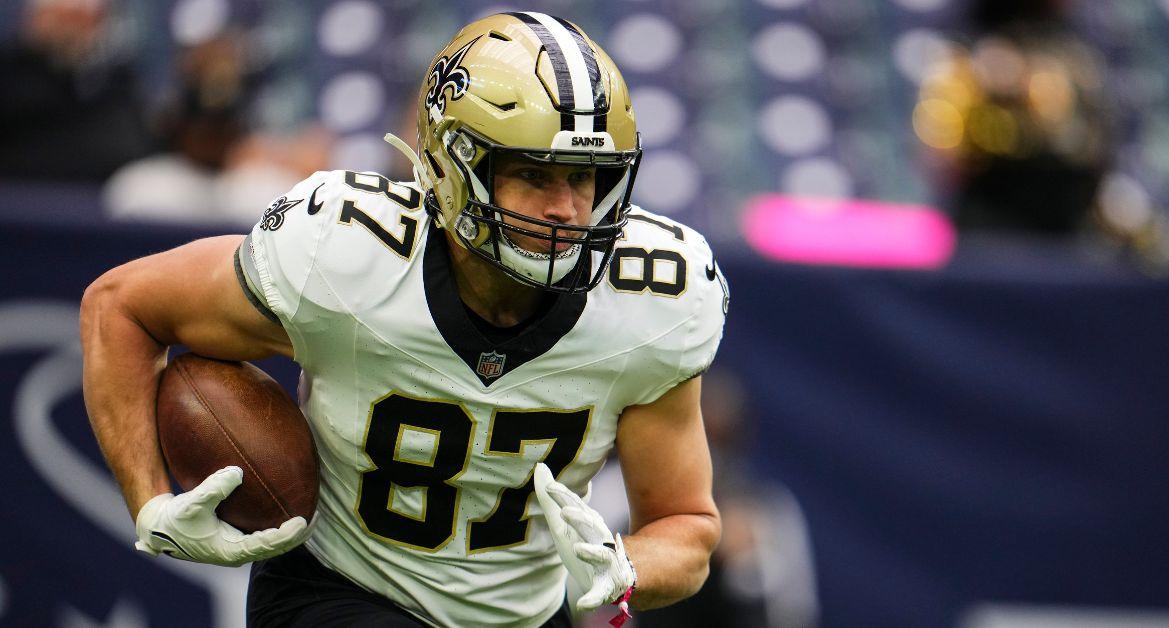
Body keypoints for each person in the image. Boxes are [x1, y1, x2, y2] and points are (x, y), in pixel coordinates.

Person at [80, 11, 729, 628]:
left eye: (585, 179)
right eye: (535, 174)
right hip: (340, 588)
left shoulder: (654, 299)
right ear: (453, 166)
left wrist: (624, 566)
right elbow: (121, 304)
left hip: (526, 614)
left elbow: (687, 528)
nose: (565, 209)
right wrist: (149, 499)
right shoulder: (346, 253)